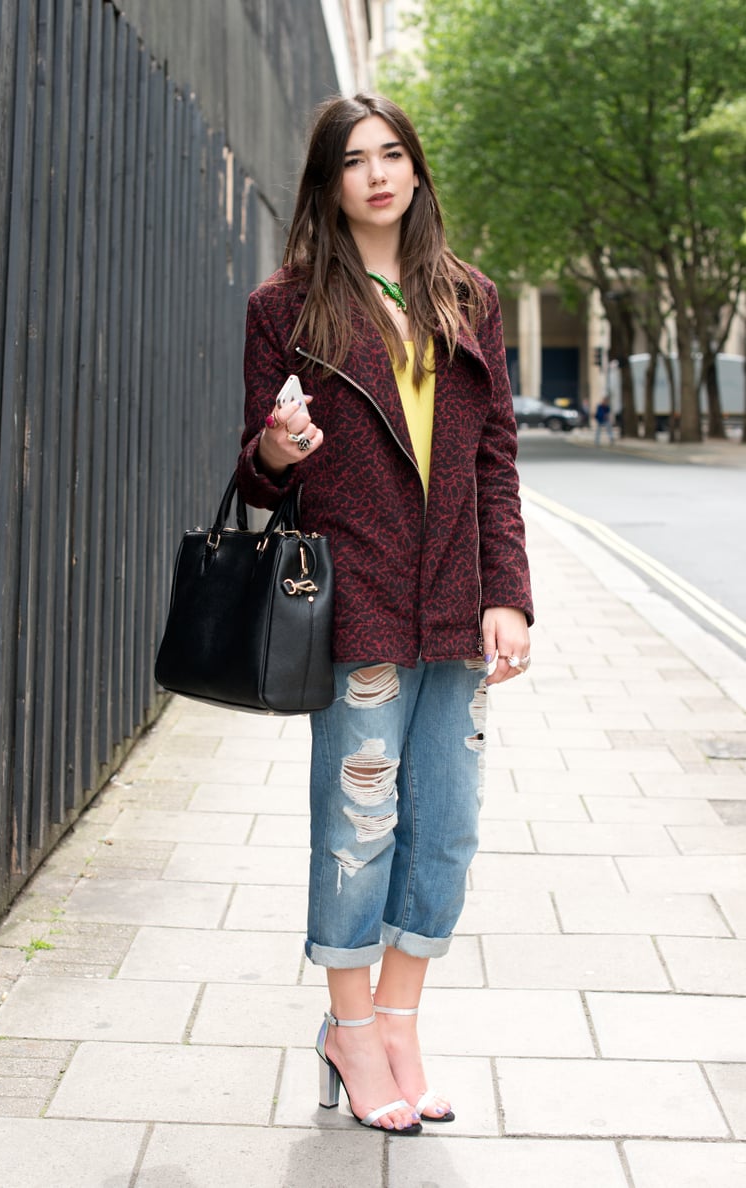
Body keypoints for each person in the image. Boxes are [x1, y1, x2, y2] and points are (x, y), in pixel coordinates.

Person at [236, 93, 533, 1137]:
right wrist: (277, 452)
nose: (376, 174)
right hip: (354, 600)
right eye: (353, 160)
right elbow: (260, 477)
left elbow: (496, 460)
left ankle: (401, 1024)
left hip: (456, 604)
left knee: (445, 827)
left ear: (416, 172)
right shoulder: (287, 306)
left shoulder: (469, 300)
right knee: (360, 827)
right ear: (327, 183)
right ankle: (350, 1032)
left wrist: (510, 594)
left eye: (392, 154)